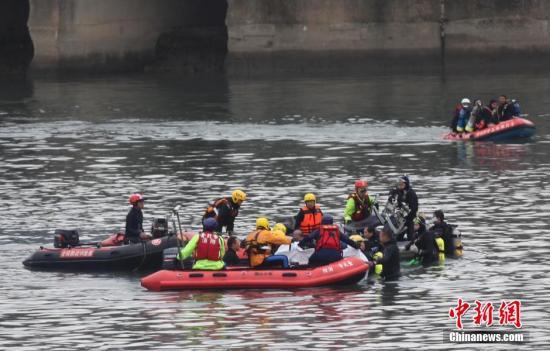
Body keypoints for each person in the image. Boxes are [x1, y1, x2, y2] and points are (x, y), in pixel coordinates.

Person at [388, 175, 418, 241]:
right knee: (398, 237)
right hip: (399, 218)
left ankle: (412, 243)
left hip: (409, 219)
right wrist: (391, 195)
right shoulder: (397, 191)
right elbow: (391, 196)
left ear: (406, 183)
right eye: (399, 183)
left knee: (410, 237)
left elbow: (414, 208)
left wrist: (408, 217)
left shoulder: (411, 193)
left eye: (402, 183)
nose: (400, 184)